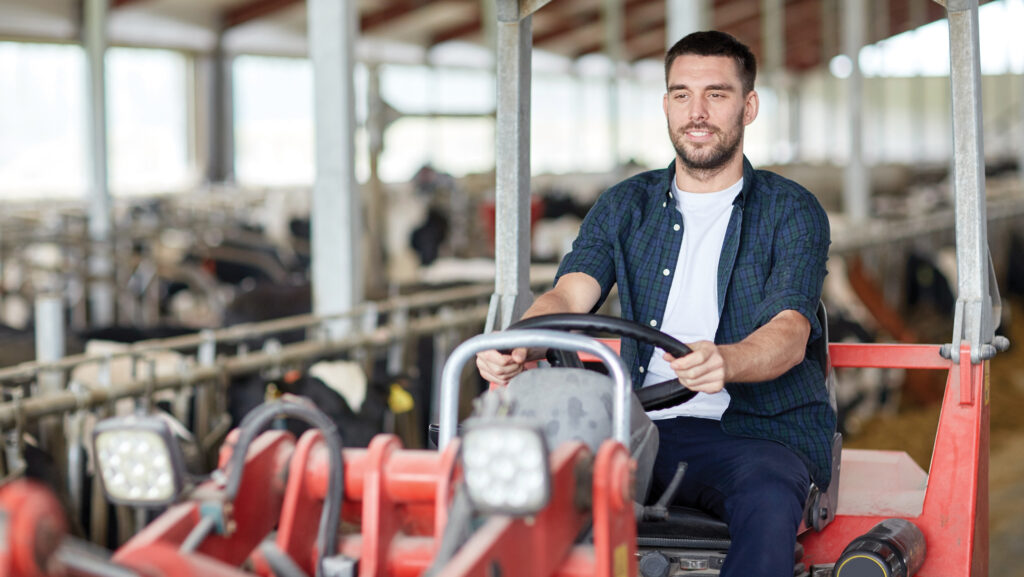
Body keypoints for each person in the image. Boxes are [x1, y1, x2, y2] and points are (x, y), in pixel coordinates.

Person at [476, 30, 834, 577]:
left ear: (749, 105)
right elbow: (570, 291)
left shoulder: (791, 210)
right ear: (665, 104)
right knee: (531, 492)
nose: (697, 112)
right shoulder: (625, 204)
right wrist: (520, 340)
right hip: (638, 424)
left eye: (716, 94)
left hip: (755, 433)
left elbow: (789, 330)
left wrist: (727, 360)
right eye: (681, 94)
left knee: (767, 496)